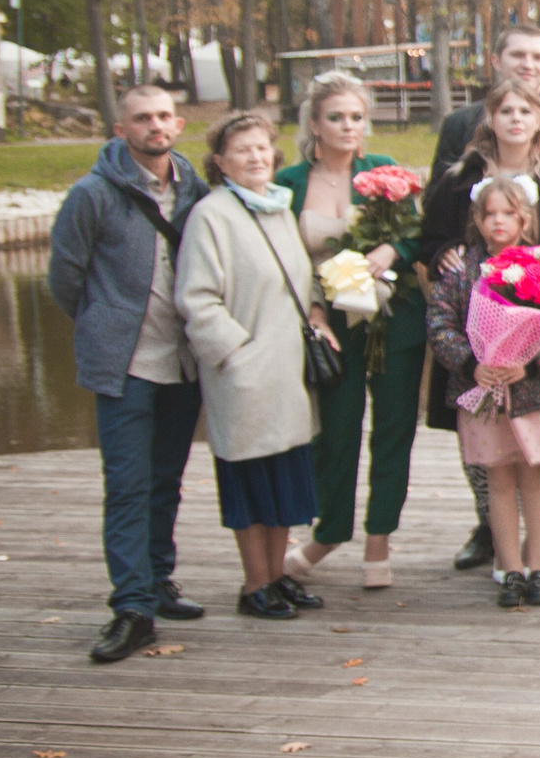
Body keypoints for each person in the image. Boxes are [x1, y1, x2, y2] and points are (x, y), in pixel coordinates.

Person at [49, 84, 211, 663]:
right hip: (125, 364)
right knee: (127, 484)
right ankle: (131, 606)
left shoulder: (195, 190)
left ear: (179, 123)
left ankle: (158, 581)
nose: (155, 126)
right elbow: (65, 278)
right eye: (142, 119)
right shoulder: (92, 196)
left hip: (181, 360)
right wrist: (104, 323)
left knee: (166, 478)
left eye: (164, 116)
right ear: (121, 130)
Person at [420, 76, 540, 569]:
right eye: (506, 112)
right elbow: (432, 233)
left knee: (538, 444)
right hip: (475, 324)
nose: (516, 120)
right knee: (489, 448)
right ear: (490, 119)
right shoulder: (463, 175)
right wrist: (445, 256)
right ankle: (492, 531)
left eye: (526, 111)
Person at [175, 110, 333, 621]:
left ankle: (279, 576)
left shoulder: (278, 209)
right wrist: (236, 355)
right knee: (249, 480)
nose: (255, 156)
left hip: (286, 371)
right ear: (220, 162)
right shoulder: (212, 216)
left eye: (262, 147)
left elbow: (301, 275)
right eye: (242, 149)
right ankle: (255, 583)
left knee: (284, 479)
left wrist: (315, 308)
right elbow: (196, 298)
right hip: (243, 374)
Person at [279, 72, 423, 590]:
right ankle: (329, 531)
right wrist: (314, 313)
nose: (347, 126)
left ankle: (379, 541)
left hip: (394, 316)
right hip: (332, 324)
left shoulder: (384, 172)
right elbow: (284, 258)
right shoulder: (290, 183)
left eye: (356, 117)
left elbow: (415, 234)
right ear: (314, 124)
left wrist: (393, 251)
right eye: (335, 117)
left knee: (393, 431)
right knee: (335, 435)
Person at [426, 177, 540, 608]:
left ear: (525, 218)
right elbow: (439, 323)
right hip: (481, 390)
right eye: (489, 214)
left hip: (532, 390)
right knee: (496, 480)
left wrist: (529, 362)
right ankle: (510, 568)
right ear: (477, 220)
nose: (498, 221)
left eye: (508, 213)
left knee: (535, 479)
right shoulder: (461, 271)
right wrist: (470, 364)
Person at [429, 24, 540, 218]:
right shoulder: (459, 124)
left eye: (538, 57)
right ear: (497, 61)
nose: (528, 65)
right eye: (517, 55)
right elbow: (435, 201)